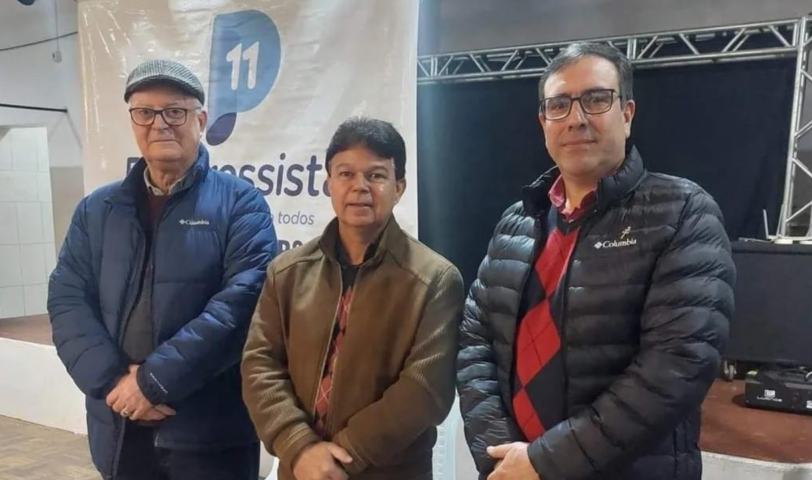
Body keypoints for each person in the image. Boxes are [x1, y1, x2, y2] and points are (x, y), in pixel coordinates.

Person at [457, 42, 736, 480]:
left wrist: (545, 462)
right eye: (559, 105)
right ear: (543, 122)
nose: (576, 118)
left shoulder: (682, 212)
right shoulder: (516, 222)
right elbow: (475, 338)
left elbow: (677, 364)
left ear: (627, 113)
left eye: (596, 99)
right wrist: (499, 456)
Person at [48, 59, 278, 480]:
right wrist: (113, 382)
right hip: (119, 426)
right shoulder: (97, 209)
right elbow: (67, 299)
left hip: (209, 433)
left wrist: (152, 382)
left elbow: (242, 304)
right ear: (133, 121)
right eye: (145, 112)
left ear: (200, 120)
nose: (159, 124)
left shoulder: (241, 204)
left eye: (175, 111)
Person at [242, 117, 463, 480]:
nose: (360, 186)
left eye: (376, 175)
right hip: (301, 470)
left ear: (399, 187)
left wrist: (340, 458)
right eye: (346, 174)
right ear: (329, 183)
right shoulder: (287, 272)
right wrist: (299, 447)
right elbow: (259, 365)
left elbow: (426, 389)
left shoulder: (434, 279)